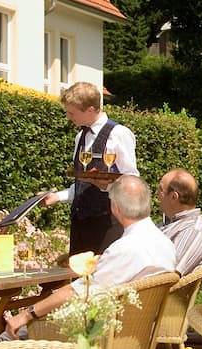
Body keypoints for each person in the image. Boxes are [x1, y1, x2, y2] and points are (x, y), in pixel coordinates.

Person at [6, 176, 176, 336]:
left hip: (102, 336)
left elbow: (76, 291)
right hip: (139, 332)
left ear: (115, 207)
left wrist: (26, 315)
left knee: (6, 336)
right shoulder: (166, 243)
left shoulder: (124, 248)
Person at [41, 82, 139, 255]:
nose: (68, 117)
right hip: (79, 224)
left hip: (107, 224)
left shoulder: (119, 134)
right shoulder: (80, 136)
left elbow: (132, 182)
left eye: (72, 113)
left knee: (103, 279)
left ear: (91, 110)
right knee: (79, 277)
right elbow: (82, 185)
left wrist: (106, 186)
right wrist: (57, 197)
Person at [158, 169, 202, 276]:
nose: (157, 195)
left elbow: (170, 275)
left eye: (160, 190)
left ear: (173, 197)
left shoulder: (194, 231)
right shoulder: (169, 223)